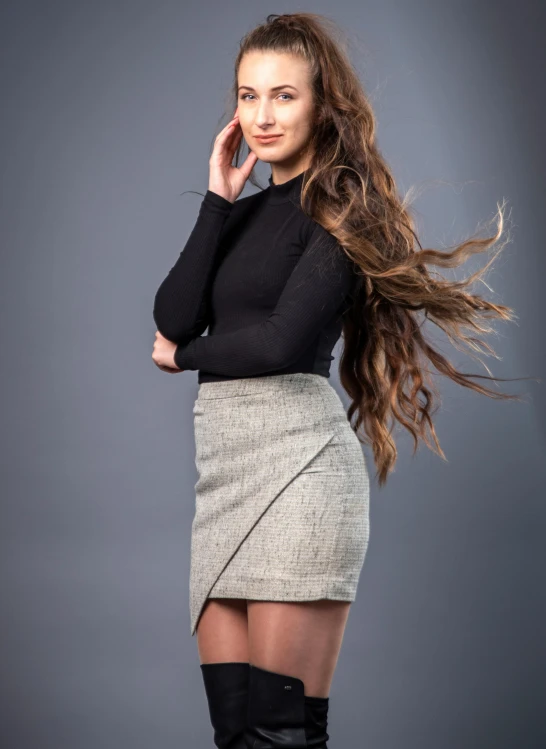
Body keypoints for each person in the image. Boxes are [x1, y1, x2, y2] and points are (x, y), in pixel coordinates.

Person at [152, 12, 523, 749]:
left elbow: (279, 341)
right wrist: (219, 202)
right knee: (235, 737)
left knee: (278, 736)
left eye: (283, 96)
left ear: (324, 105)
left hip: (300, 474)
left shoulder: (345, 215)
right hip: (222, 480)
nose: (261, 115)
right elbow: (172, 309)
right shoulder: (244, 212)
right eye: (247, 96)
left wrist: (182, 357)